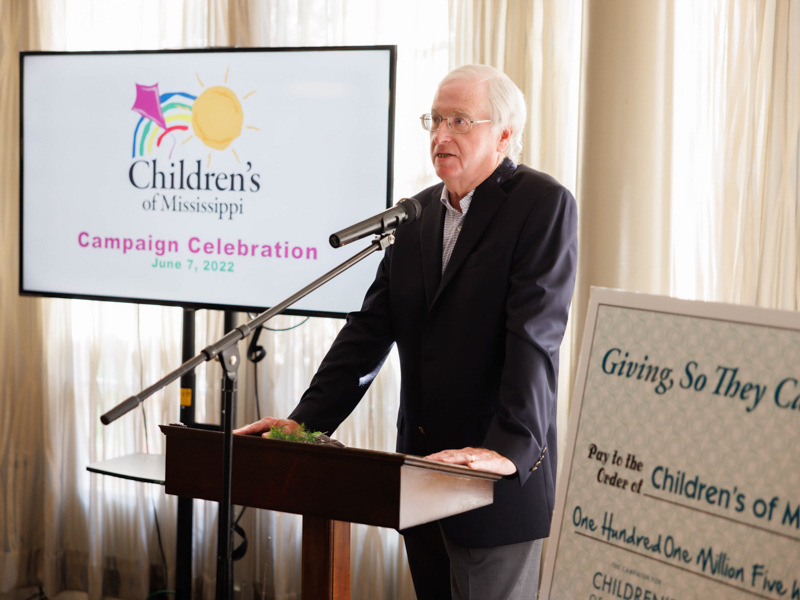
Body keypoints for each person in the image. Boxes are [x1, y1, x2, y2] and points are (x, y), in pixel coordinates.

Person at [234, 64, 577, 600]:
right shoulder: (414, 215)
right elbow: (366, 337)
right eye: (435, 120)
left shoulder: (541, 205)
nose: (441, 136)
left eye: (460, 121)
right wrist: (301, 426)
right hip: (421, 478)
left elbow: (535, 335)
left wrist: (506, 450)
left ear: (505, 135)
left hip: (491, 479)